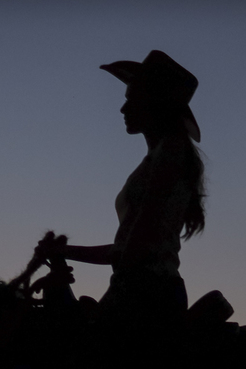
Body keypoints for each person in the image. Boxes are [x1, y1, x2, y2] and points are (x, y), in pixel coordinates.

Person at [40, 50, 206, 339]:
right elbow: (131, 248)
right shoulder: (160, 157)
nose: (123, 109)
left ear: (155, 104)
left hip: (146, 296)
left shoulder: (169, 154)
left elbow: (134, 251)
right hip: (142, 288)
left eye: (131, 99)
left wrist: (64, 252)